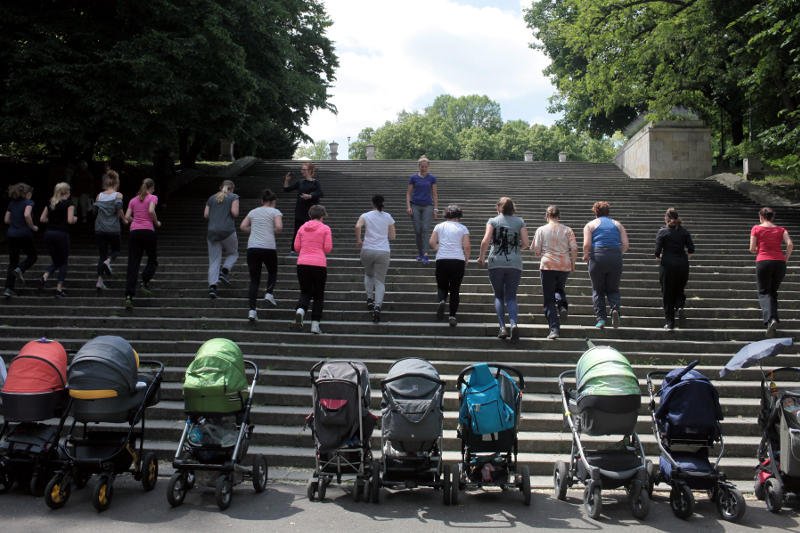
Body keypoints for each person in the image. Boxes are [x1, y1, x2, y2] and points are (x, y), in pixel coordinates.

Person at [478, 197, 529, 341]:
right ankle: (513, 323)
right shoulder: (520, 221)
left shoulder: (493, 221)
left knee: (499, 296)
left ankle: (502, 327)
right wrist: (515, 248)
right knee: (511, 296)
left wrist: (481, 257)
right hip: (514, 263)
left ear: (498, 207)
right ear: (513, 208)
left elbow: (485, 241)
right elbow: (526, 243)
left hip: (496, 262)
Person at [532, 205, 577, 340]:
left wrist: (542, 253)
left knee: (549, 298)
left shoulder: (541, 230)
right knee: (559, 289)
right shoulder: (568, 230)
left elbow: (536, 251)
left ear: (547, 216)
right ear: (559, 216)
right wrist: (573, 263)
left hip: (548, 265)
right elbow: (574, 249)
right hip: (564, 265)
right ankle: (562, 305)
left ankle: (554, 329)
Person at [583, 201, 629, 329]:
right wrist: (617, 253)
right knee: (613, 288)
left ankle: (601, 319)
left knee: (598, 289)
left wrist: (586, 255)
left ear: (595, 212)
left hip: (597, 256)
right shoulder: (617, 224)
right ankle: (615, 310)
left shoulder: (590, 225)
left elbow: (587, 244)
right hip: (615, 257)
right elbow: (625, 244)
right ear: (608, 212)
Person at [240, 189, 283, 322]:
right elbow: (279, 227)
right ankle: (269, 293)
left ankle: (252, 311)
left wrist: (254, 230)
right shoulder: (275, 212)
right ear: (272, 201)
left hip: (252, 247)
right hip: (268, 247)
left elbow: (242, 227)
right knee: (273, 271)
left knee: (254, 280)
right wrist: (271, 231)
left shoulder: (253, 211)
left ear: (262, 201)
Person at [749, 206, 793, 337]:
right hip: (779, 263)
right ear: (772, 217)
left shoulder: (756, 228)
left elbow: (751, 248)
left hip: (763, 261)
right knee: (772, 291)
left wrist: (760, 249)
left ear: (761, 217)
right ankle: (773, 319)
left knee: (763, 292)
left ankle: (770, 319)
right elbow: (790, 244)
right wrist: (785, 258)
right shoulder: (781, 229)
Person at [355, 194, 396, 323]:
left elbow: (357, 226)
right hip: (383, 250)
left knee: (368, 274)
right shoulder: (388, 217)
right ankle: (377, 307)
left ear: (372, 203)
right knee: (380, 280)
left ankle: (369, 298)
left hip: (367, 249)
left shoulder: (365, 215)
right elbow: (393, 236)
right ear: (383, 204)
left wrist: (359, 240)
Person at [654, 207, 695, 330]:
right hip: (682, 265)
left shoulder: (662, 232)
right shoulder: (684, 232)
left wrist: (660, 257)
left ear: (666, 218)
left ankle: (670, 323)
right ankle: (679, 305)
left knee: (667, 294)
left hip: (667, 265)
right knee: (679, 288)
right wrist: (683, 258)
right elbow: (691, 249)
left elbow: (657, 252)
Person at [294, 205, 333, 334]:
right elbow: (327, 248)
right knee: (318, 295)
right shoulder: (325, 228)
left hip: (302, 263)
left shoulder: (302, 228)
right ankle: (315, 325)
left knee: (305, 292)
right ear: (322, 216)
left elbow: (296, 247)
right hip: (319, 264)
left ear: (310, 215)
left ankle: (300, 310)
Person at [430, 204, 470, 327]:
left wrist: (439, 248)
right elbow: (467, 246)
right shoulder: (463, 228)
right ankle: (452, 315)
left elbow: (432, 242)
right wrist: (466, 258)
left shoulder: (439, 226)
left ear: (446, 214)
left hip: (442, 259)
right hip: (457, 260)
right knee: (455, 289)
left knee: (442, 285)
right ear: (459, 215)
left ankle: (442, 300)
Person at [124, 178, 161, 309]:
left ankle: (129, 295)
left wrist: (136, 220)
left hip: (134, 232)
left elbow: (127, 217)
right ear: (152, 187)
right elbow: (151, 211)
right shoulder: (152, 197)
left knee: (133, 263)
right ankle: (144, 281)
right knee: (152, 259)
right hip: (148, 231)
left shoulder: (133, 200)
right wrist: (156, 223)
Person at [39, 182, 77, 298]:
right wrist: (75, 218)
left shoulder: (50, 202)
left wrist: (52, 221)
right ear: (67, 192)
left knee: (56, 260)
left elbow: (42, 219)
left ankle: (45, 276)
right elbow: (70, 221)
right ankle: (59, 289)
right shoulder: (69, 204)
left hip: (49, 234)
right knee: (63, 262)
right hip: (61, 234)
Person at [204, 180, 240, 299]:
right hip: (227, 231)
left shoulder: (211, 198)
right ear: (232, 188)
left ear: (220, 188)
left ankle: (212, 287)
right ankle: (224, 271)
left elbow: (206, 215)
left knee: (214, 260)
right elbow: (234, 213)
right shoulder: (234, 197)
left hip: (212, 232)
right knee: (233, 253)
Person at [4, 183, 39, 298]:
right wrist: (33, 227)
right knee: (32, 256)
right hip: (24, 234)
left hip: (11, 235)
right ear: (27, 194)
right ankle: (21, 269)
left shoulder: (12, 203)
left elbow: (6, 220)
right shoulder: (29, 202)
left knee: (12, 262)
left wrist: (15, 223)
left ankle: (8, 289)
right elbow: (27, 214)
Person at [93, 170, 126, 292]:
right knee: (116, 250)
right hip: (113, 229)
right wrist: (124, 220)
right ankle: (108, 261)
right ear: (116, 182)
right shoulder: (118, 195)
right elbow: (119, 208)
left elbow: (94, 211)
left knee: (102, 255)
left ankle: (99, 281)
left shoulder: (99, 195)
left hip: (100, 228)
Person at [283, 162, 323, 254]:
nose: (302, 171)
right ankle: (294, 250)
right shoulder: (300, 182)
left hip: (311, 213)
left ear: (310, 171)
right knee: (297, 231)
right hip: (300, 210)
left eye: (304, 169)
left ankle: (311, 250)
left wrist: (310, 196)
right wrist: (287, 180)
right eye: (302, 169)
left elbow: (320, 193)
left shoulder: (315, 182)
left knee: (312, 232)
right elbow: (286, 189)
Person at [406, 155, 439, 264]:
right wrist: (408, 206)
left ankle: (425, 254)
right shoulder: (413, 178)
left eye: (425, 166)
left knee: (425, 229)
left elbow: (434, 194)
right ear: (418, 166)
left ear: (428, 167)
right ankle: (420, 252)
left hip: (428, 206)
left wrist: (436, 209)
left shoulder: (432, 178)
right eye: (421, 166)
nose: (423, 168)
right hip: (415, 205)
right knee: (418, 230)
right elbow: (408, 193)